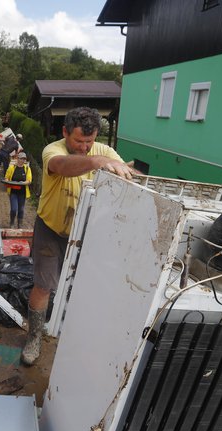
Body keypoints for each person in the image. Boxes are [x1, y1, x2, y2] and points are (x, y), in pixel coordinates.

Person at [22, 107, 134, 366]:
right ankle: (34, 338)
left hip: (87, 233)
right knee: (44, 285)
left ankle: (79, 337)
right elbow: (60, 166)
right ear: (65, 132)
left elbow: (125, 172)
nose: (84, 147)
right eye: (78, 141)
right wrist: (94, 163)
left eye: (89, 142)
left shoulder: (104, 152)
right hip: (51, 229)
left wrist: (128, 173)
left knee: (88, 286)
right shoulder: (54, 150)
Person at [4, 152, 32, 228]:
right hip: (13, 192)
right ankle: (12, 222)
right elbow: (6, 177)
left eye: (24, 159)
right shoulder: (12, 168)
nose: (22, 160)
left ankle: (20, 224)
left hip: (22, 192)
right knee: (13, 209)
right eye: (21, 158)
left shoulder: (27, 169)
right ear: (17, 159)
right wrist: (7, 181)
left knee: (21, 210)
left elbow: (29, 180)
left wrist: (23, 182)